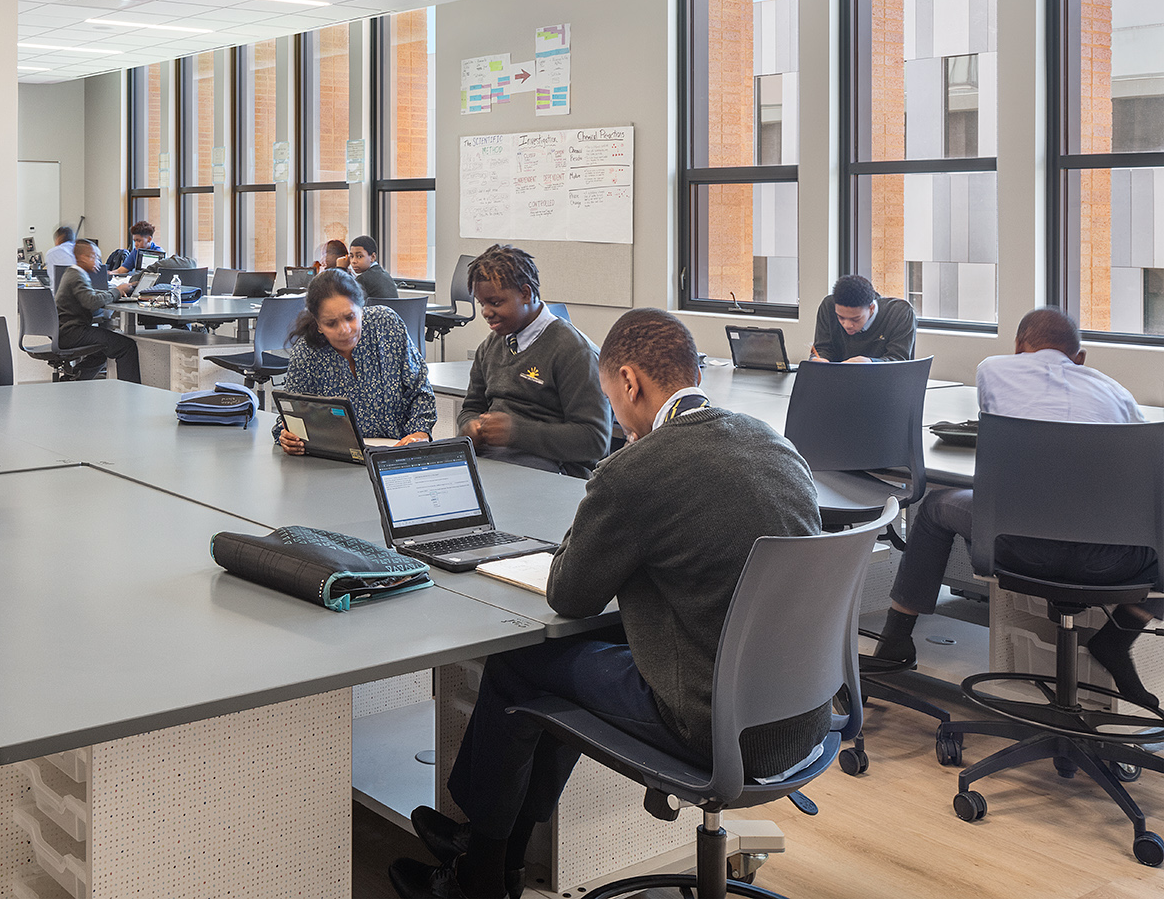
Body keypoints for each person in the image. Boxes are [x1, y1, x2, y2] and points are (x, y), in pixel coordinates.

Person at [391, 310, 825, 899]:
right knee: (564, 663)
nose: (616, 417)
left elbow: (569, 594)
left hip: (712, 724)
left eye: (610, 399)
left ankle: (480, 870)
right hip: (801, 714)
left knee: (520, 667)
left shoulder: (638, 469)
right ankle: (495, 856)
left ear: (629, 381)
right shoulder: (775, 446)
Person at [868, 307, 1161, 708]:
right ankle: (1118, 635)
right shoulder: (1117, 393)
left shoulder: (993, 369)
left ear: (1018, 346)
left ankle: (896, 640)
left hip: (1015, 547)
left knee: (936, 505)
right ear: (1080, 357)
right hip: (1111, 561)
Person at [454, 245, 612, 476]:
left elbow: (595, 441)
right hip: (494, 461)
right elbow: (471, 408)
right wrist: (470, 427)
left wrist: (516, 433)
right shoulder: (490, 346)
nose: (486, 312)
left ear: (526, 294)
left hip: (549, 470)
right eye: (482, 304)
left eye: (495, 303)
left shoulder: (574, 351)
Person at [275, 269, 434, 452]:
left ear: (361, 309)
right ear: (318, 324)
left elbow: (420, 390)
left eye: (350, 317)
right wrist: (289, 437)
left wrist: (419, 432)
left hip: (398, 452)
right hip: (337, 462)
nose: (344, 330)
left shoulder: (386, 325)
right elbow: (290, 415)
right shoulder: (306, 353)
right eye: (331, 323)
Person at [55, 239, 140, 382]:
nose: (99, 262)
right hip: (72, 332)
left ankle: (74, 380)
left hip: (66, 331)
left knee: (102, 350)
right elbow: (92, 302)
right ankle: (131, 392)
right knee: (126, 346)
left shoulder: (73, 273)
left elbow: (91, 294)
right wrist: (117, 292)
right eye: (95, 257)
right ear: (84, 257)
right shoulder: (76, 276)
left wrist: (117, 290)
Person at [808, 273, 916, 362]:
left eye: (855, 319)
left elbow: (899, 360)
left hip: (884, 383)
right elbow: (822, 348)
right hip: (837, 382)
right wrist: (819, 360)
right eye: (840, 317)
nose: (847, 325)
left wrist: (870, 363)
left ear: (871, 308)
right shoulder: (828, 306)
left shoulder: (900, 313)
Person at [346, 235, 398, 299]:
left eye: (359, 256)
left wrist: (340, 269)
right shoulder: (386, 275)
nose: (353, 261)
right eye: (351, 256)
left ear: (373, 257)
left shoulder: (363, 279)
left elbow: (347, 301)